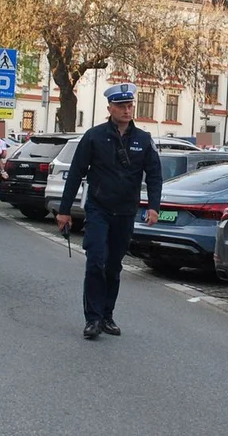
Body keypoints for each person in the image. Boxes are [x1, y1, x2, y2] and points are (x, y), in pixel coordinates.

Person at [56, 83, 162, 339]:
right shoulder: (94, 136)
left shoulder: (143, 139)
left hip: (125, 212)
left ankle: (107, 316)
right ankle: (92, 319)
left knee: (113, 267)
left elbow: (155, 175)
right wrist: (64, 210)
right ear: (110, 108)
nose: (127, 110)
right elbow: (75, 174)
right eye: (122, 106)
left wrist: (154, 206)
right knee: (95, 262)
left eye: (130, 105)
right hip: (98, 210)